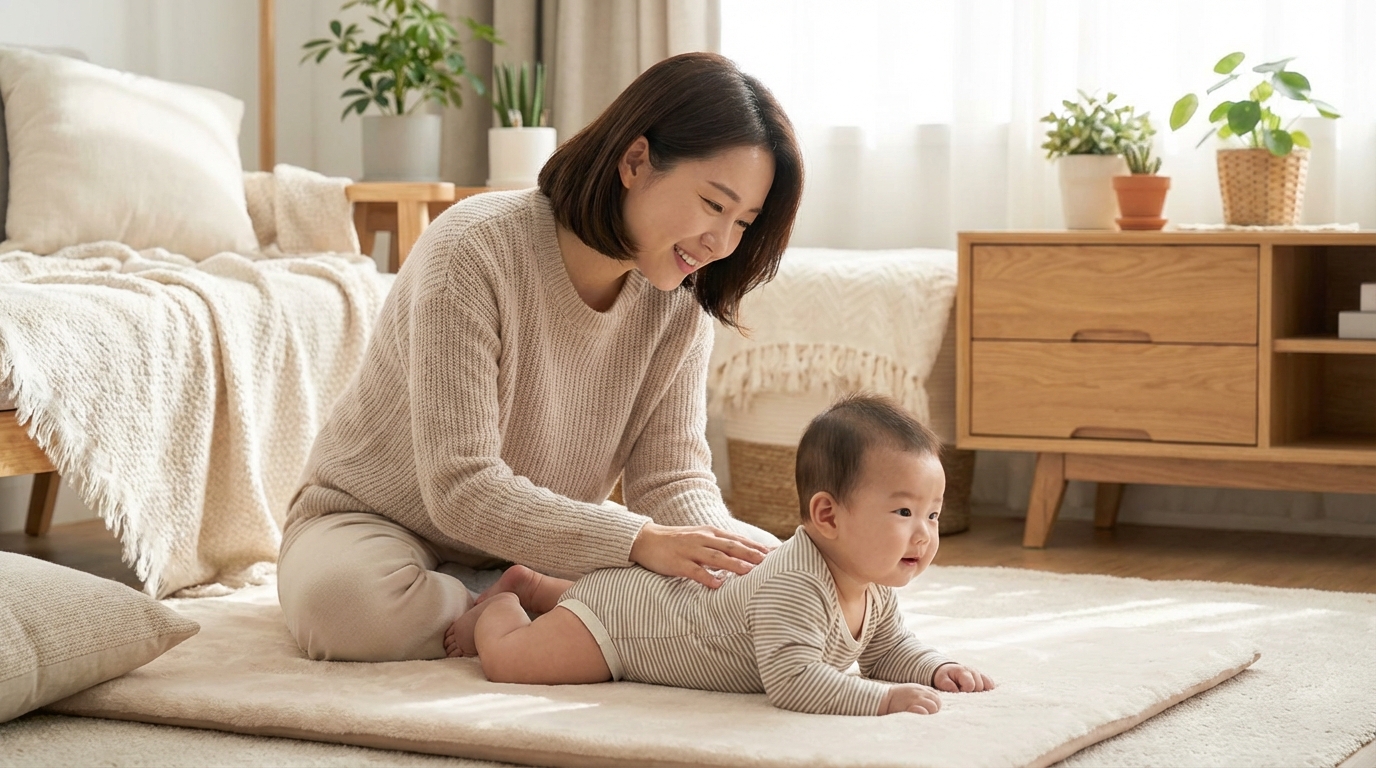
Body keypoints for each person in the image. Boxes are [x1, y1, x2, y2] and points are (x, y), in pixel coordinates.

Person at [275, 51, 805, 662]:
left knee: (775, 579)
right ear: (635, 161)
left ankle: (531, 601)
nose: (721, 243)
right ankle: (535, 607)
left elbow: (672, 479)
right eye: (714, 205)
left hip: (538, 547)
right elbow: (462, 488)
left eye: (744, 222)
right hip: (375, 524)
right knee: (349, 610)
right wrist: (638, 544)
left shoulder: (680, 300)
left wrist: (725, 559)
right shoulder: (473, 249)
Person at [443, 393, 996, 716]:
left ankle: (544, 588)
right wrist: (881, 701)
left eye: (933, 514)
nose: (923, 533)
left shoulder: (869, 584)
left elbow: (890, 649)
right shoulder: (797, 585)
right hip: (622, 630)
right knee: (513, 665)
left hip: (656, 602)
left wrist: (935, 669)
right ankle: (504, 605)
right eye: (904, 513)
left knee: (604, 598)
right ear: (827, 515)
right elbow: (794, 681)